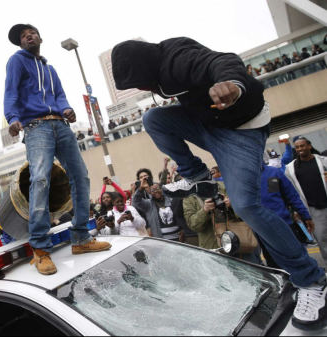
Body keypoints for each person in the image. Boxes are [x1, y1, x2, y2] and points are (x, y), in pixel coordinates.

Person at [111, 37, 327, 328]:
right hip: (212, 124)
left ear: (147, 67)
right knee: (153, 119)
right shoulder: (159, 69)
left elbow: (220, 61)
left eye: (143, 83)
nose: (145, 89)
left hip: (241, 132)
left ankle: (312, 280)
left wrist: (230, 83)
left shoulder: (177, 58)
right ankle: (196, 175)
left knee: (247, 205)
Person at [4, 23, 111, 276]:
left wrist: (67, 109)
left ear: (39, 37)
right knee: (40, 179)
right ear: (21, 44)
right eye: (23, 36)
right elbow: (10, 92)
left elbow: (60, 95)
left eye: (31, 32)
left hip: (60, 126)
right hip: (36, 128)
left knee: (81, 176)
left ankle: (81, 238)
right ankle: (40, 249)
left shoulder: (49, 69)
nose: (28, 36)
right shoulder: (17, 61)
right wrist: (12, 118)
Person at [260, 163, 314, 268]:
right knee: (274, 263)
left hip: (284, 224)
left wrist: (305, 216)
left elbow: (292, 196)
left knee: (297, 257)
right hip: (262, 229)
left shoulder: (273, 173)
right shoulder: (243, 177)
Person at [285, 137, 327, 260]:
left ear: (309, 146)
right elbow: (292, 192)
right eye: (297, 147)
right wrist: (297, 210)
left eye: (302, 146)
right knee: (322, 239)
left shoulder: (323, 161)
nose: (300, 149)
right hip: (313, 209)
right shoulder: (291, 168)